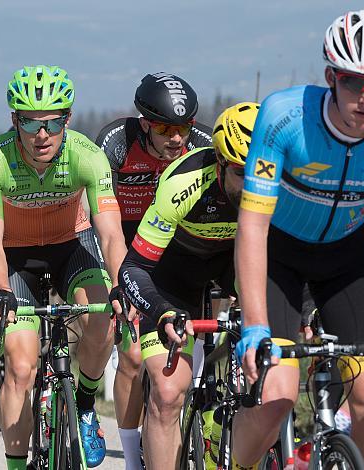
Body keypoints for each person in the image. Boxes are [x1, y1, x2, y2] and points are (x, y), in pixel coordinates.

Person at [232, 10, 364, 469]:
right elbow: (252, 225)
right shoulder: (283, 117)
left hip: (348, 255)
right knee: (275, 398)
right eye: (354, 82)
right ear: (330, 78)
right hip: (279, 254)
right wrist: (255, 325)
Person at [0, 65, 130, 469]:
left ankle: (84, 404)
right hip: (16, 260)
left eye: (54, 121)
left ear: (68, 119)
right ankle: (16, 465)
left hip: (69, 247)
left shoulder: (88, 157)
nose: (42, 134)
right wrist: (1, 290)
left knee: (103, 323)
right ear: (14, 121)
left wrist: (122, 284)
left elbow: (111, 235)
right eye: (30, 123)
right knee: (21, 368)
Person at [118, 102, 258, 468]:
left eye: (264, 171)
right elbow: (133, 269)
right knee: (166, 396)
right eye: (244, 173)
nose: (258, 184)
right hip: (173, 274)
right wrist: (162, 311)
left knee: (268, 386)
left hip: (236, 265)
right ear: (220, 165)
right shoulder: (183, 184)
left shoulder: (280, 186)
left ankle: (223, 424)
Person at [95, 72, 212, 469]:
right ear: (144, 123)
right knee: (129, 355)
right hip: (126, 244)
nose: (176, 138)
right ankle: (132, 460)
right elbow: (104, 224)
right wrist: (118, 284)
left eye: (184, 127)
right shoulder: (115, 144)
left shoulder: (204, 146)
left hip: (180, 248)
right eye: (164, 128)